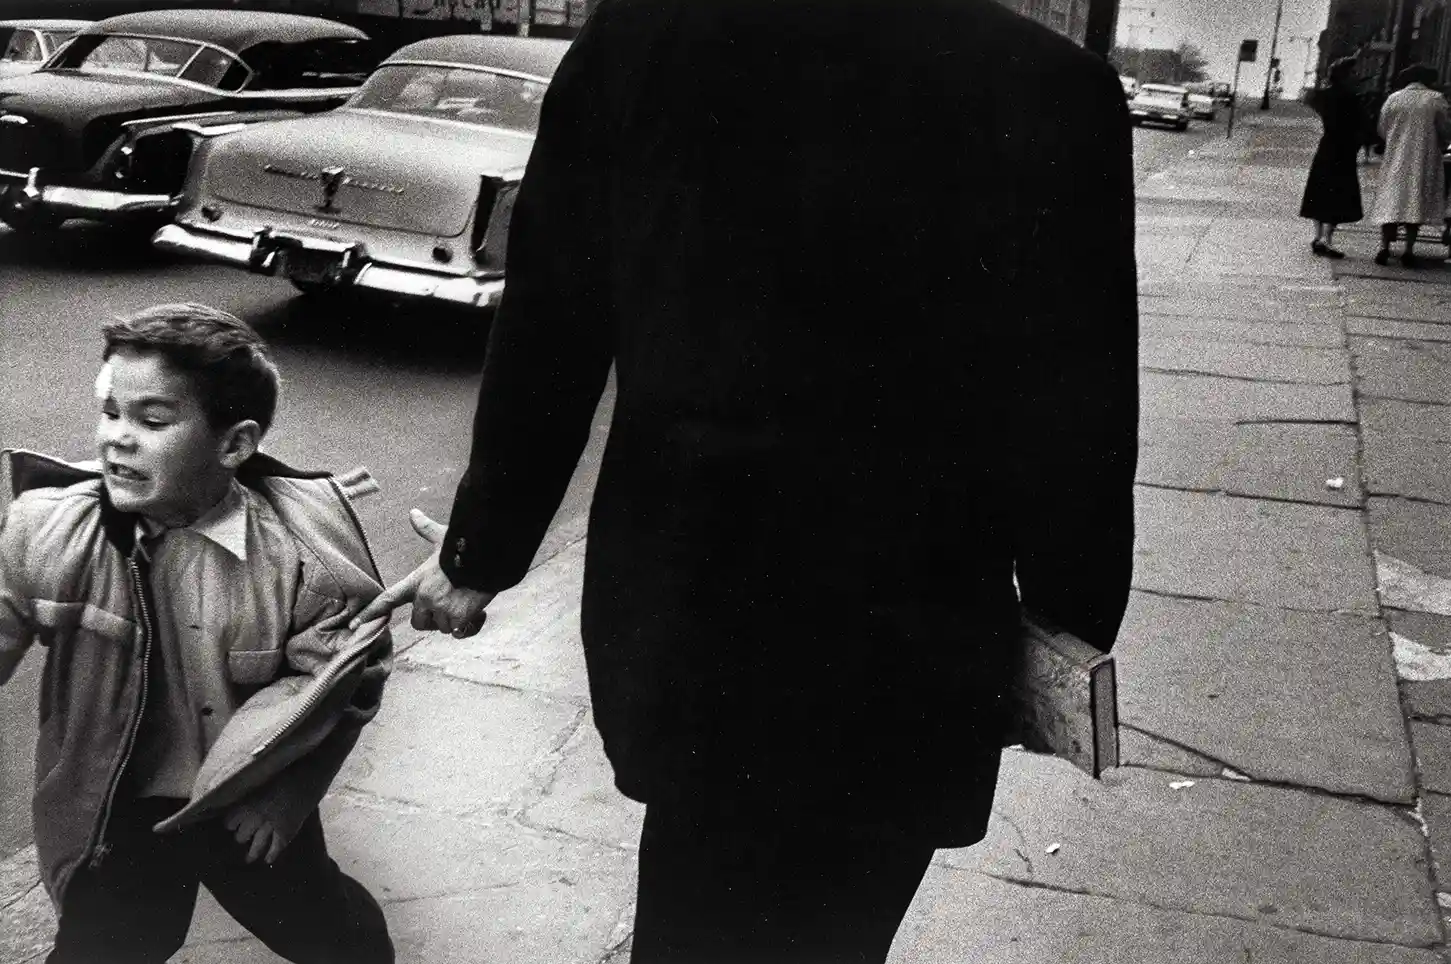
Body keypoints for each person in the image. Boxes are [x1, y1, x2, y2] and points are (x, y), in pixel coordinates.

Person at [357, 0, 1138, 960]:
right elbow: (1080, 398)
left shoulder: (642, 42)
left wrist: (484, 552)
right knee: (844, 924)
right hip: (916, 621)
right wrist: (1069, 620)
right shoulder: (1049, 83)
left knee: (694, 904)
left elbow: (551, 328)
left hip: (694, 602)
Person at [0, 304, 395, 964]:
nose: (117, 439)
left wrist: (288, 797)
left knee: (328, 934)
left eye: (151, 421)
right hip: (116, 804)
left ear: (234, 445)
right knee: (103, 947)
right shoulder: (48, 532)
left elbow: (350, 682)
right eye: (110, 413)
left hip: (248, 794)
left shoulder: (304, 558)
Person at [1370, 64, 1451, 267]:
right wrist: (1440, 145)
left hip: (1396, 157)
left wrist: (1395, 139)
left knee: (1392, 202)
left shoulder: (1394, 98)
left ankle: (1385, 247)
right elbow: (1445, 129)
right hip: (1424, 158)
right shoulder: (1435, 99)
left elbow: (1382, 128)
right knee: (1416, 202)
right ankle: (1408, 249)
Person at [1301, 57, 1365, 258]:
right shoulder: (1352, 98)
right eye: (1354, 72)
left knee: (1320, 189)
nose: (1357, 75)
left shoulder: (1321, 96)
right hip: (1344, 149)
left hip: (1327, 145)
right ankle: (1327, 239)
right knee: (1339, 194)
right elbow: (1362, 125)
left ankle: (1318, 236)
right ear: (1345, 75)